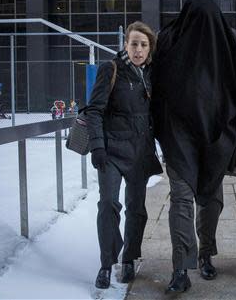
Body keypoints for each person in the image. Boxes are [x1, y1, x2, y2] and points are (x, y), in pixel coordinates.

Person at [151, 0, 236, 293]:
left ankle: (206, 252)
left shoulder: (229, 45)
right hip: (178, 135)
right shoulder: (168, 40)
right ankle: (180, 267)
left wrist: (233, 130)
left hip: (214, 136)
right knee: (181, 199)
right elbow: (153, 81)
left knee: (211, 198)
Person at [86, 21, 162, 289]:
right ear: (125, 45)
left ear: (150, 47)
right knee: (108, 205)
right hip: (111, 153)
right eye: (134, 44)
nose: (138, 50)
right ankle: (106, 264)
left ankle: (129, 257)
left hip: (140, 153)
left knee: (136, 209)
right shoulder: (111, 69)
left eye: (143, 45)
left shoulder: (153, 73)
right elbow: (93, 110)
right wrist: (97, 146)